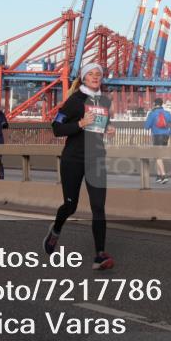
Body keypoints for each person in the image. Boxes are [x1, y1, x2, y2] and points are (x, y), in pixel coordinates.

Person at [43, 63, 117, 271]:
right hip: (73, 160)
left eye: (98, 74)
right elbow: (57, 128)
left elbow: (99, 127)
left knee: (98, 207)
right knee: (70, 205)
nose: (95, 77)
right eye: (91, 74)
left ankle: (100, 255)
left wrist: (108, 129)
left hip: (96, 159)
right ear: (84, 78)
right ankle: (55, 230)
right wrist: (80, 124)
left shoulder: (103, 100)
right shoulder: (74, 101)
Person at [143, 98, 171, 184]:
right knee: (159, 155)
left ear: (154, 104)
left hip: (157, 136)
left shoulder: (152, 113)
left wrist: (150, 124)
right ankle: (158, 177)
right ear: (161, 104)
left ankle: (163, 175)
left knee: (158, 156)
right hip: (166, 136)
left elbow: (147, 126)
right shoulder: (167, 113)